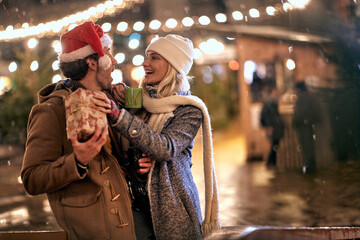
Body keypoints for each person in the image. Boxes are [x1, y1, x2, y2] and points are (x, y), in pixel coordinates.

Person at [21, 21, 153, 240]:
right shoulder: (52, 110)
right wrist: (78, 161)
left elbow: (119, 161)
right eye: (108, 53)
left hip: (134, 219)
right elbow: (31, 179)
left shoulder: (111, 101)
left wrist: (138, 169)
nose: (113, 60)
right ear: (93, 62)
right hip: (97, 231)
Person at [104, 34, 220, 240]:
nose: (145, 63)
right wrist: (116, 95)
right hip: (136, 209)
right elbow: (126, 145)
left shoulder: (188, 109)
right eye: (147, 56)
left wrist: (119, 116)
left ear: (173, 66)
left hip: (173, 209)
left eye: (154, 58)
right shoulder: (139, 98)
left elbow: (165, 148)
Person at [293, 81, 322, 174]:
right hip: (308, 124)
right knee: (309, 146)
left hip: (303, 125)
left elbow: (300, 113)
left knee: (306, 146)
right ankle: (311, 166)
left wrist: (296, 122)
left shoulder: (302, 98)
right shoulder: (309, 96)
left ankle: (310, 167)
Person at [260, 86, 285, 167]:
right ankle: (271, 162)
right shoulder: (271, 102)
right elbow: (270, 116)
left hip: (273, 127)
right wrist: (270, 126)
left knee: (274, 145)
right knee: (274, 145)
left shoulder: (269, 102)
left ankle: (272, 162)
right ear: (273, 91)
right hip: (274, 127)